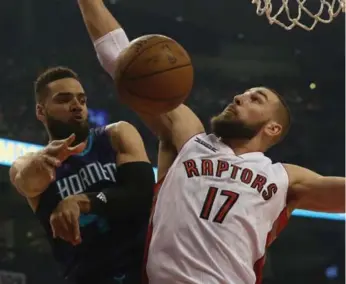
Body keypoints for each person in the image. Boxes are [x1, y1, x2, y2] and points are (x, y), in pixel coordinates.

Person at [76, 1, 345, 283]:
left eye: (256, 98)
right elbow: (120, 61)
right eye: (242, 93)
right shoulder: (190, 139)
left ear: (273, 127)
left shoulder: (283, 177)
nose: (239, 97)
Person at [9, 66, 155, 284]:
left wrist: (83, 201)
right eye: (64, 100)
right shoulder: (31, 164)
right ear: (41, 111)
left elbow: (143, 194)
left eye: (82, 100)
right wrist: (39, 162)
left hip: (144, 270)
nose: (77, 106)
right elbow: (26, 182)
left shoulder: (116, 135)